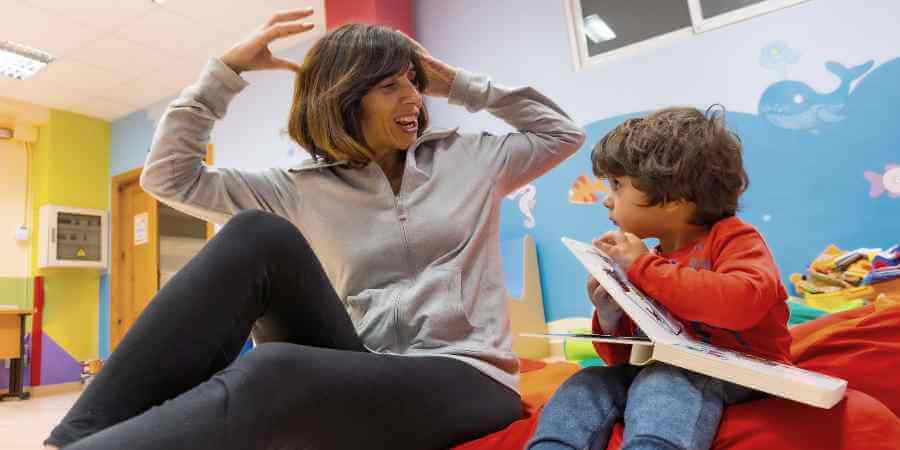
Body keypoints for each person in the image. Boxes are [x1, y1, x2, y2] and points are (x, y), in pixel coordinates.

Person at [43, 8, 586, 450]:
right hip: (361, 364)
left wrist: (459, 84)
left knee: (276, 369)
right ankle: (71, 439)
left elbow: (562, 133)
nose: (414, 100)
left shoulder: (471, 159)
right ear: (347, 99)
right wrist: (225, 72)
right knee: (256, 234)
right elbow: (169, 177)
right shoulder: (299, 188)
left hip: (467, 375)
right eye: (390, 87)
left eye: (414, 84)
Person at [526, 107, 792, 450]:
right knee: (588, 381)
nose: (608, 200)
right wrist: (611, 314)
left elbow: (742, 302)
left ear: (673, 198)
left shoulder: (733, 239)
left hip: (745, 373)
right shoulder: (653, 262)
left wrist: (642, 269)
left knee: (665, 378)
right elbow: (624, 359)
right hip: (669, 369)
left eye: (618, 185)